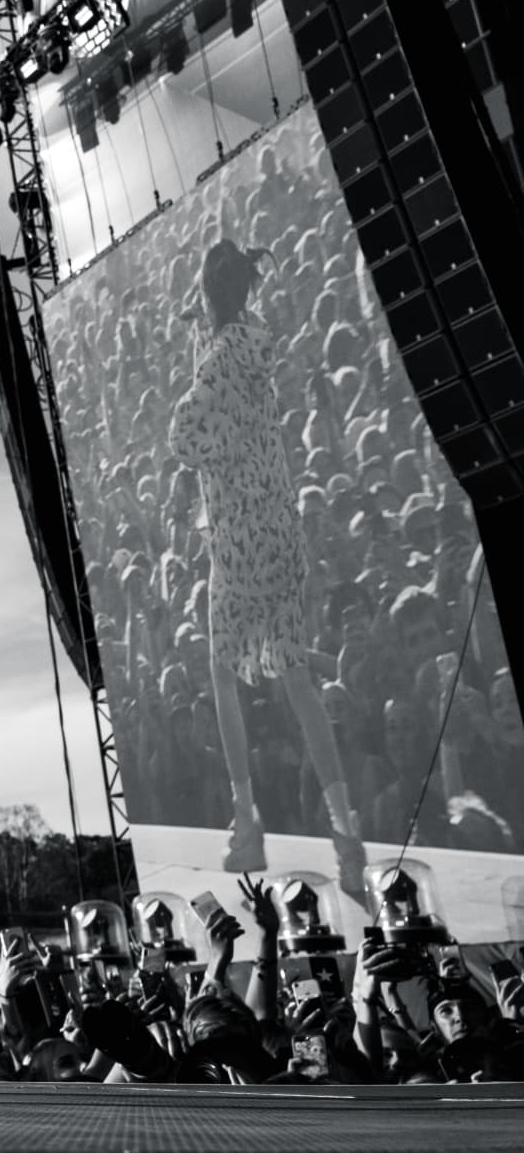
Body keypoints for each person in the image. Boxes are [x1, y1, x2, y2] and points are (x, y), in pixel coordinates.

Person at [167, 237, 365, 892]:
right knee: (296, 678)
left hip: (239, 541)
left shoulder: (216, 361)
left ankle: (246, 824)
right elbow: (229, 362)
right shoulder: (255, 337)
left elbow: (183, 435)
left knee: (223, 673)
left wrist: (220, 451)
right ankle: (346, 832)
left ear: (207, 295)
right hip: (280, 530)